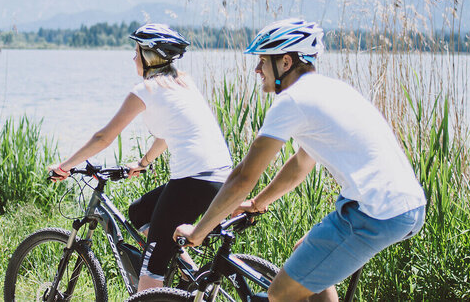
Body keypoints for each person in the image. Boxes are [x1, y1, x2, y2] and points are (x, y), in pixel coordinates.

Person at [174, 18, 426, 302]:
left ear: (285, 62)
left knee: (280, 293)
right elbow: (300, 164)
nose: (257, 69)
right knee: (304, 257)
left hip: (376, 212)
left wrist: (199, 231)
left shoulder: (292, 100)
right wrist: (258, 203)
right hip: (400, 205)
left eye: (262, 61)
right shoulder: (330, 90)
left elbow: (243, 177)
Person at [47, 23, 233, 292]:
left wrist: (65, 166)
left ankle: (153, 289)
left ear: (149, 57)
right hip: (219, 177)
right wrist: (143, 163)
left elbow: (103, 137)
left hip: (193, 181)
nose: (133, 58)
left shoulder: (146, 90)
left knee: (151, 272)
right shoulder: (183, 83)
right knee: (140, 211)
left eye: (137, 52)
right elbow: (168, 134)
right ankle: (188, 275)